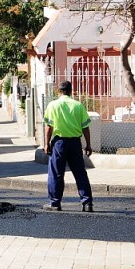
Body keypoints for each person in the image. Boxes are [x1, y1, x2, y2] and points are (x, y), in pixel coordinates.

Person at [43, 80, 94, 212]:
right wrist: (88, 145)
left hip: (59, 143)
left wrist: (46, 144)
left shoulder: (53, 105)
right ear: (71, 91)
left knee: (56, 173)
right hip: (75, 143)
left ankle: (55, 203)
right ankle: (87, 203)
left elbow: (49, 127)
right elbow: (85, 127)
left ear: (59, 91)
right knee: (80, 172)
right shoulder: (78, 105)